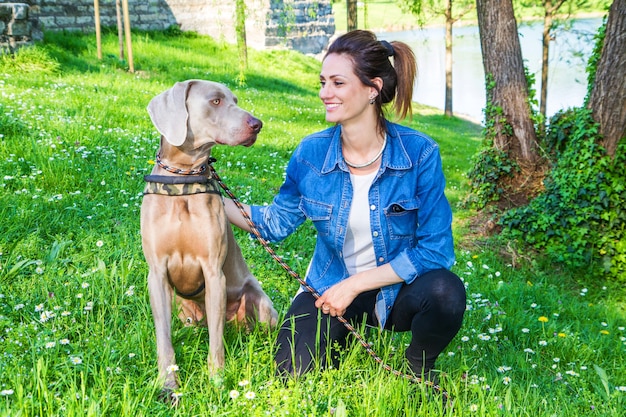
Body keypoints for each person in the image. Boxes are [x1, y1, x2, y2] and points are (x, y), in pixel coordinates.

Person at [224, 29, 466, 382]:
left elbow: (436, 251)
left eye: (338, 83)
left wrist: (355, 285)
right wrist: (211, 200)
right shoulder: (311, 153)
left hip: (396, 292)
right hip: (330, 285)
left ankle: (419, 368)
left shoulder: (419, 153)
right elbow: (276, 222)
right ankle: (343, 336)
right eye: (323, 82)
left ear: (373, 89)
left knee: (446, 291)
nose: (325, 93)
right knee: (290, 372)